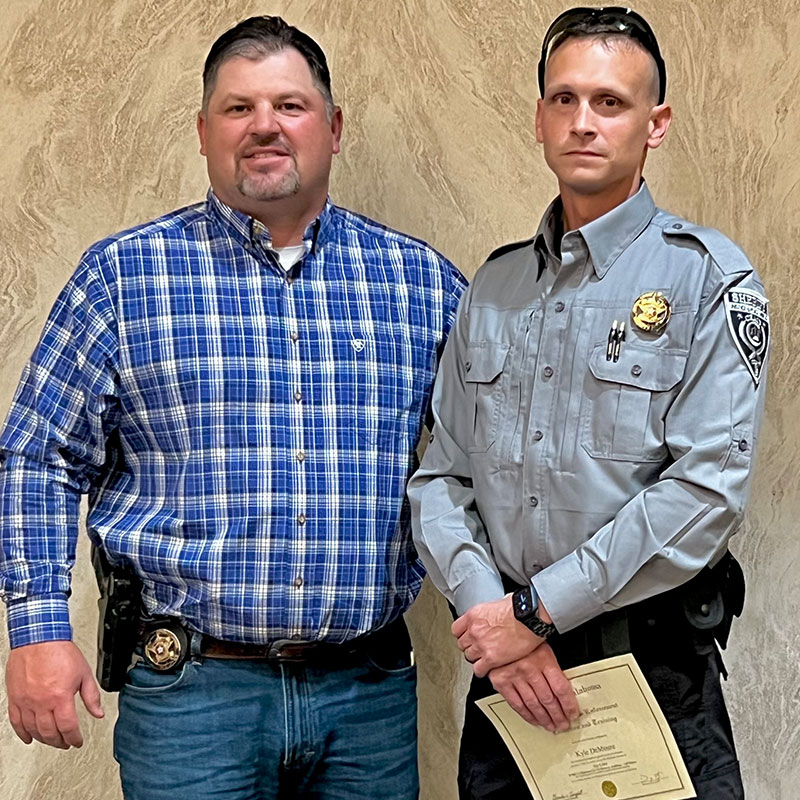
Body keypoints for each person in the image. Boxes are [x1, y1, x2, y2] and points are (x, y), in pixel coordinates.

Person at [0, 15, 466, 800]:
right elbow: (38, 453)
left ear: (334, 126)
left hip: (368, 697)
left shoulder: (419, 284)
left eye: (289, 105)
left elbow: (491, 460)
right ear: (203, 130)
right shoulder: (124, 278)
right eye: (238, 108)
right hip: (194, 697)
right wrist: (38, 627)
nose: (265, 128)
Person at [408, 7, 768, 799]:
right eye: (564, 99)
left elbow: (707, 489)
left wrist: (537, 612)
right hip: (510, 677)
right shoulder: (495, 288)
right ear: (539, 116)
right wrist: (493, 619)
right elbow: (441, 479)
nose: (583, 123)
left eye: (610, 102)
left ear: (656, 122)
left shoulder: (707, 279)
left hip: (653, 673)